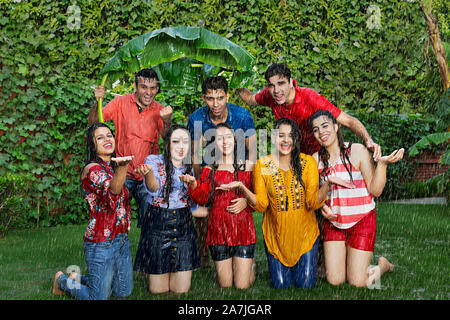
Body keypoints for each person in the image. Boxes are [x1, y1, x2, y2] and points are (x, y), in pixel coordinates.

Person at [237, 62, 382, 276]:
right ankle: (304, 255)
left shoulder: (310, 97)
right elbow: (250, 99)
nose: (276, 90)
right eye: (271, 85)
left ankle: (325, 259)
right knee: (298, 205)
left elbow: (347, 121)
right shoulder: (270, 96)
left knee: (322, 206)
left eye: (281, 84)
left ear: (291, 81)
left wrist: (368, 140)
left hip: (318, 160)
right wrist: (235, 77)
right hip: (293, 158)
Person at [219, 118, 348, 289]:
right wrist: (243, 188)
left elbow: (313, 203)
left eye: (290, 136)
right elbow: (262, 205)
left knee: (306, 285)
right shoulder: (264, 165)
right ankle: (253, 265)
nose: (286, 140)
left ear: (295, 139)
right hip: (276, 237)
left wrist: (328, 184)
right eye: (281, 136)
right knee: (281, 285)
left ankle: (314, 263)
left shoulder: (307, 163)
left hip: (305, 236)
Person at [309, 109, 403, 287]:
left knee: (358, 282)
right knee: (335, 280)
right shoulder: (315, 160)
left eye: (325, 126)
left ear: (336, 127)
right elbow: (315, 197)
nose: (321, 132)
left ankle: (383, 265)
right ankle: (352, 263)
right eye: (315, 130)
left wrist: (382, 164)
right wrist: (322, 208)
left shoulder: (357, 151)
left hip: (362, 221)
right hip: (334, 223)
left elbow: (375, 190)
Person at [52, 122, 133, 300]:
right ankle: (63, 281)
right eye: (100, 137)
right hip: (100, 243)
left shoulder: (113, 166)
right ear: (92, 144)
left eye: (109, 135)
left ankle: (79, 278)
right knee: (97, 298)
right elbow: (112, 194)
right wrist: (124, 167)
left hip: (121, 240)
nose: (107, 139)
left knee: (123, 291)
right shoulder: (92, 170)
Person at [89, 68, 173, 227]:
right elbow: (94, 124)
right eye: (144, 87)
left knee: (151, 222)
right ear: (135, 86)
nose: (149, 92)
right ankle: (116, 249)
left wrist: (167, 121)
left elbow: (168, 140)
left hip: (147, 173)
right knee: (115, 219)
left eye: (153, 88)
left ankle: (147, 251)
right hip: (123, 173)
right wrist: (97, 102)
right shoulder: (120, 103)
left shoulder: (159, 110)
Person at [188, 76, 257, 268]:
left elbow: (251, 151)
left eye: (220, 97)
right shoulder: (196, 118)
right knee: (204, 212)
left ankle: (242, 252)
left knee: (236, 208)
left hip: (238, 167)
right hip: (210, 166)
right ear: (204, 99)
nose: (215, 103)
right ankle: (204, 253)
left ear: (227, 96)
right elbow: (194, 155)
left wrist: (246, 179)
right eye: (210, 98)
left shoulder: (242, 116)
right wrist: (197, 181)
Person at [180, 123, 257, 289]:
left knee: (242, 285)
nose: (224, 142)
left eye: (228, 137)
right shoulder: (209, 169)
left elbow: (260, 198)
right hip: (219, 229)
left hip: (243, 228)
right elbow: (201, 198)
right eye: (219, 138)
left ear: (235, 140)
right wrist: (193, 184)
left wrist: (246, 201)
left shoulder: (248, 165)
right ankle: (227, 268)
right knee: (226, 285)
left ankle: (251, 265)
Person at [133, 125, 201, 294]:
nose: (181, 146)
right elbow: (154, 188)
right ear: (167, 144)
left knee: (180, 290)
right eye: (176, 141)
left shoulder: (188, 167)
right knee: (158, 291)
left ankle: (173, 268)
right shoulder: (153, 160)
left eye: (185, 142)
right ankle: (163, 268)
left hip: (183, 226)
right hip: (157, 225)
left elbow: (193, 201)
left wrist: (194, 185)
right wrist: (148, 174)